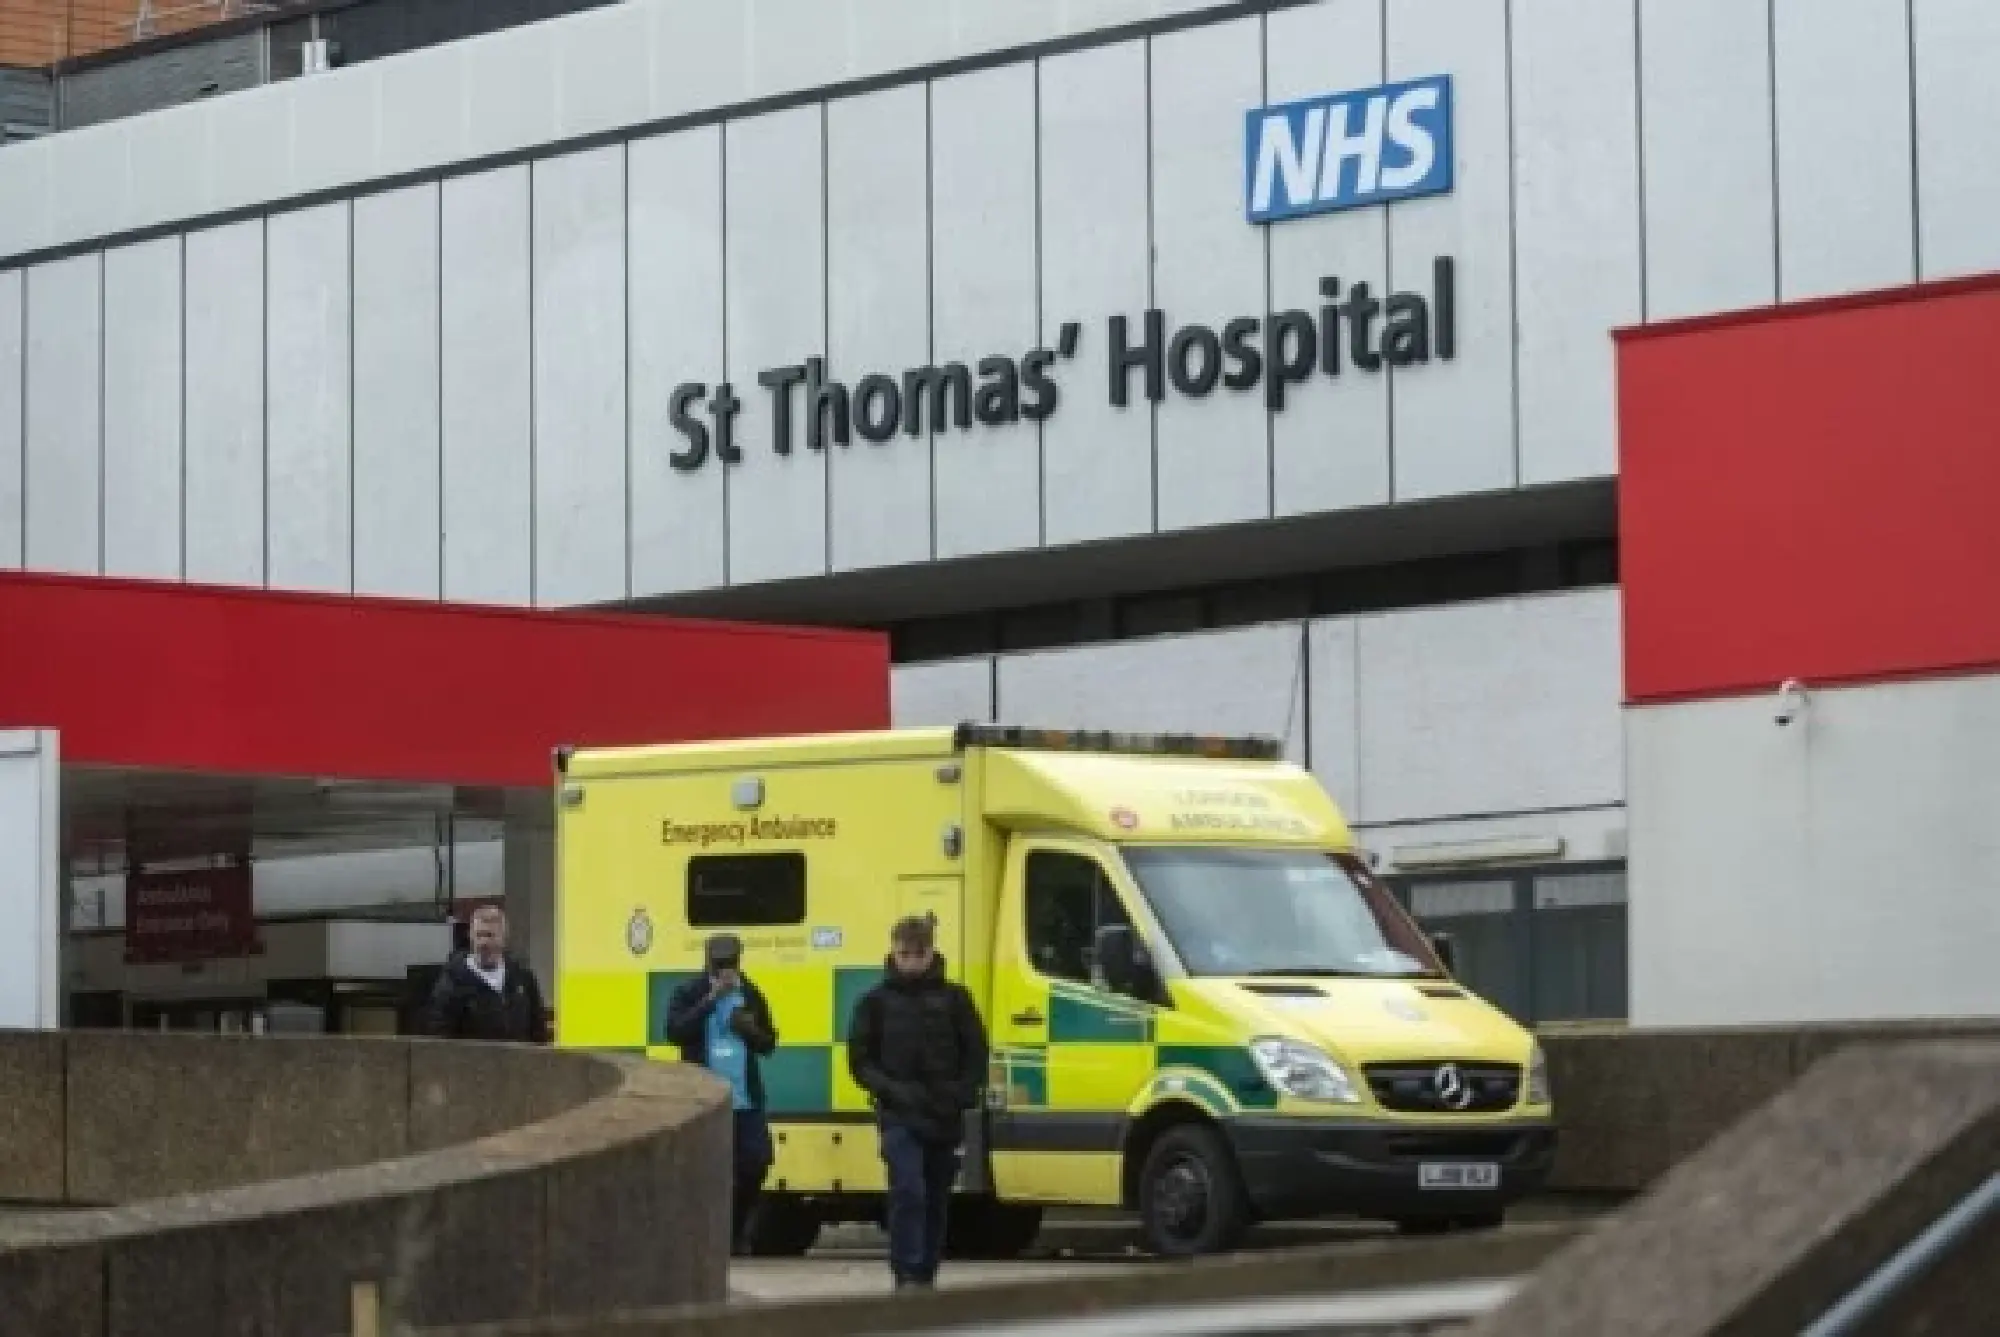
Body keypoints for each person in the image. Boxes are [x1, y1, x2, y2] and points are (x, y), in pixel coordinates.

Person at [847, 914, 989, 1292]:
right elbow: (860, 1061)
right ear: (893, 952)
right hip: (899, 1114)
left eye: (918, 954)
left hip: (944, 1114)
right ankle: (907, 1272)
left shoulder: (957, 999)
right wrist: (892, 1091)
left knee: (937, 1197)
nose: (911, 962)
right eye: (904, 954)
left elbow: (976, 1053)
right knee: (908, 1190)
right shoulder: (874, 1003)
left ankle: (926, 1273)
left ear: (931, 952)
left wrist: (961, 1093)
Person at [665, 932, 780, 1253]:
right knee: (705, 1169)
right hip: (703, 1101)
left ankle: (736, 1227)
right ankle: (708, 1233)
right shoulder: (689, 992)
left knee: (756, 1161)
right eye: (719, 968)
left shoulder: (751, 994)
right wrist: (710, 1001)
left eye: (730, 967)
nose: (726, 974)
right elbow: (675, 1032)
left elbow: (769, 1043)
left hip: (744, 1099)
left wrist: (750, 1030)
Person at [422, 905, 551, 1043]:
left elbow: (538, 1031)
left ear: (504, 938)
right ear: (470, 936)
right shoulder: (452, 982)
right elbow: (440, 1035)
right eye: (479, 935)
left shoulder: (523, 979)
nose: (483, 943)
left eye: (490, 935)